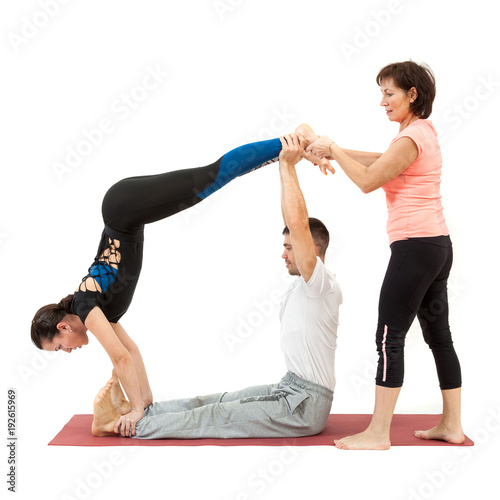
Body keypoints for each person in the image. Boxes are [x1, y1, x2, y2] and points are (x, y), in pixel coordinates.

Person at [30, 126, 332, 438]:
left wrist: (135, 411)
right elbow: (130, 351)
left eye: (57, 347)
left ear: (63, 328)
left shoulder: (85, 306)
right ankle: (295, 146)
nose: (65, 352)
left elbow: (118, 358)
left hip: (124, 208)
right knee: (212, 178)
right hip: (125, 212)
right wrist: (144, 403)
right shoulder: (95, 309)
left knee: (211, 176)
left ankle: (295, 139)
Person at [306, 60, 464, 449]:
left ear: (413, 95)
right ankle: (452, 426)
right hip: (436, 246)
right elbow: (378, 160)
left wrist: (332, 150)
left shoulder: (411, 138)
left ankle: (378, 433)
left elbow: (367, 181)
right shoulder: (415, 134)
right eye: (381, 93)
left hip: (415, 248)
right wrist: (333, 148)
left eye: (389, 93)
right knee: (438, 337)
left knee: (388, 336)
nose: (382, 101)